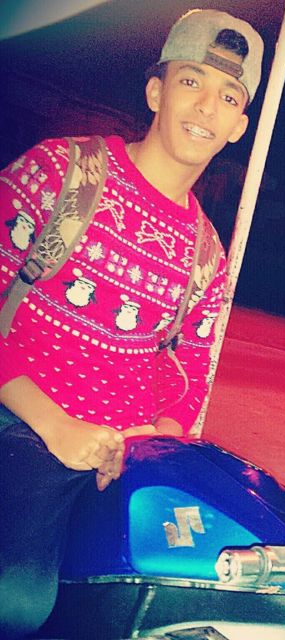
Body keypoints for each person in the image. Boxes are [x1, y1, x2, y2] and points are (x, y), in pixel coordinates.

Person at [0, 9, 264, 637]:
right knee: (19, 599)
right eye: (191, 81)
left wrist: (153, 444)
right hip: (23, 421)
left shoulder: (205, 253)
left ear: (238, 126)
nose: (206, 108)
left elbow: (187, 375)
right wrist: (55, 426)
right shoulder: (61, 174)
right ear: (156, 91)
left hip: (123, 456)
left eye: (228, 97)